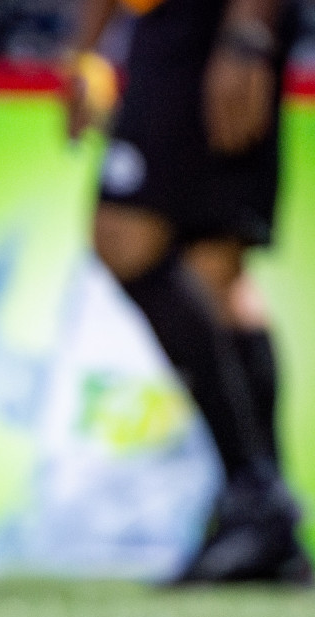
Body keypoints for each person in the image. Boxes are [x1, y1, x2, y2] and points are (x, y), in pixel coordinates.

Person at [62, 0, 310, 583]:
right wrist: (86, 51)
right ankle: (261, 517)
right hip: (173, 26)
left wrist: (247, 33)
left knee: (128, 236)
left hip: (213, 26)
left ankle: (256, 498)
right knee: (214, 271)